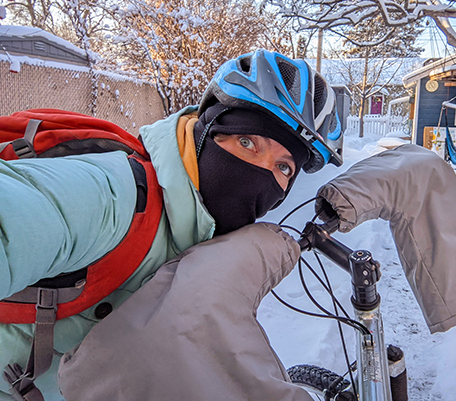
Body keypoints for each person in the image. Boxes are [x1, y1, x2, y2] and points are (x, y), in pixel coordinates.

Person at [0, 49, 343, 401]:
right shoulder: (109, 196)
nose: (263, 174)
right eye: (247, 142)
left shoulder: (199, 227)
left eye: (284, 167)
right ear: (209, 129)